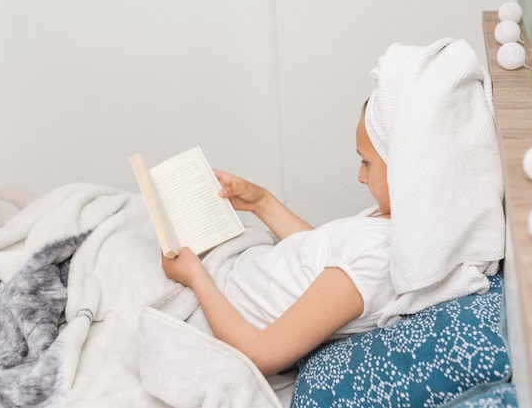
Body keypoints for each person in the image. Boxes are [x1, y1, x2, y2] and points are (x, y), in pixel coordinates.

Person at [162, 37, 505, 378]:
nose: (359, 176)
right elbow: (323, 257)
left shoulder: (378, 262)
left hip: (218, 311)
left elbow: (262, 354)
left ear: (410, 170)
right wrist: (262, 202)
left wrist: (195, 276)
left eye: (366, 163)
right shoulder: (394, 229)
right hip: (229, 277)